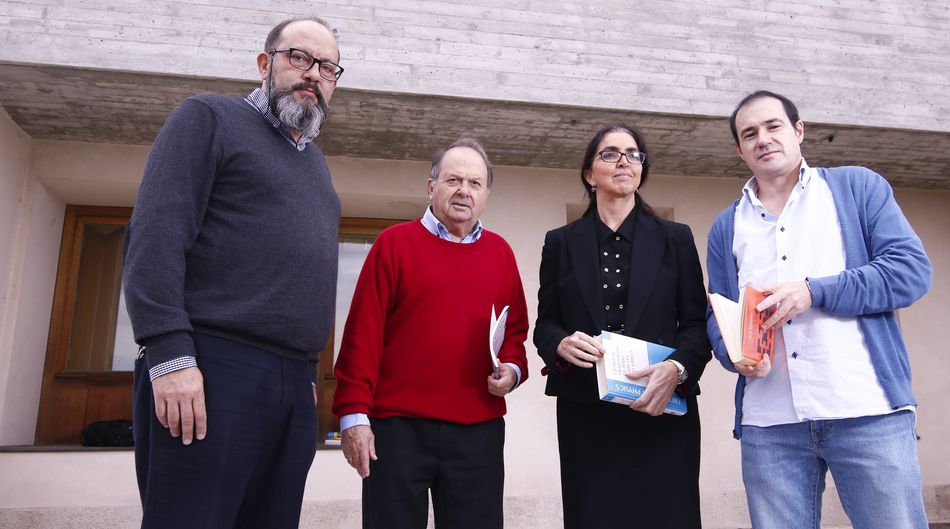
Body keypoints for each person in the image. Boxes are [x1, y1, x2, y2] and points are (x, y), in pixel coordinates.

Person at [122, 16, 344, 529]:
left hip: (293, 382)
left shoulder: (316, 165)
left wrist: (304, 369)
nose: (314, 74)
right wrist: (169, 353)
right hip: (210, 368)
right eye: (300, 58)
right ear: (265, 63)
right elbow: (154, 237)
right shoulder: (208, 118)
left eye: (328, 68)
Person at [706, 90, 932, 529]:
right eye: (749, 133)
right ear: (739, 149)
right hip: (769, 424)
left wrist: (814, 292)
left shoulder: (857, 188)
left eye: (773, 126)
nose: (763, 139)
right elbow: (720, 315)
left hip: (865, 410)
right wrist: (733, 355)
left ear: (798, 130)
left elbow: (910, 271)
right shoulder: (727, 225)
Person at [332, 138, 529, 529]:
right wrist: (354, 417)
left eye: (475, 183)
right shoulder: (393, 245)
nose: (464, 191)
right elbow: (362, 336)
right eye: (453, 179)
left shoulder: (501, 253)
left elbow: (516, 333)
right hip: (397, 430)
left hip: (478, 432)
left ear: (486, 194)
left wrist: (512, 370)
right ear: (430, 187)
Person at [533, 124, 711, 528]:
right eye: (610, 154)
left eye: (633, 154)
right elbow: (545, 324)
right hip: (586, 417)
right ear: (589, 174)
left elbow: (697, 327)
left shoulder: (675, 239)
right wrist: (559, 343)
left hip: (662, 409)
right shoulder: (559, 242)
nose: (624, 161)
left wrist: (676, 369)